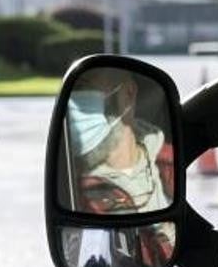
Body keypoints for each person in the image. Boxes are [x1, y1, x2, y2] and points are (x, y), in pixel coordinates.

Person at [66, 69, 175, 215]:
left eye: (85, 88)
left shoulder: (168, 160)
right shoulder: (72, 181)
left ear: (128, 94)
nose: (75, 108)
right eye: (71, 95)